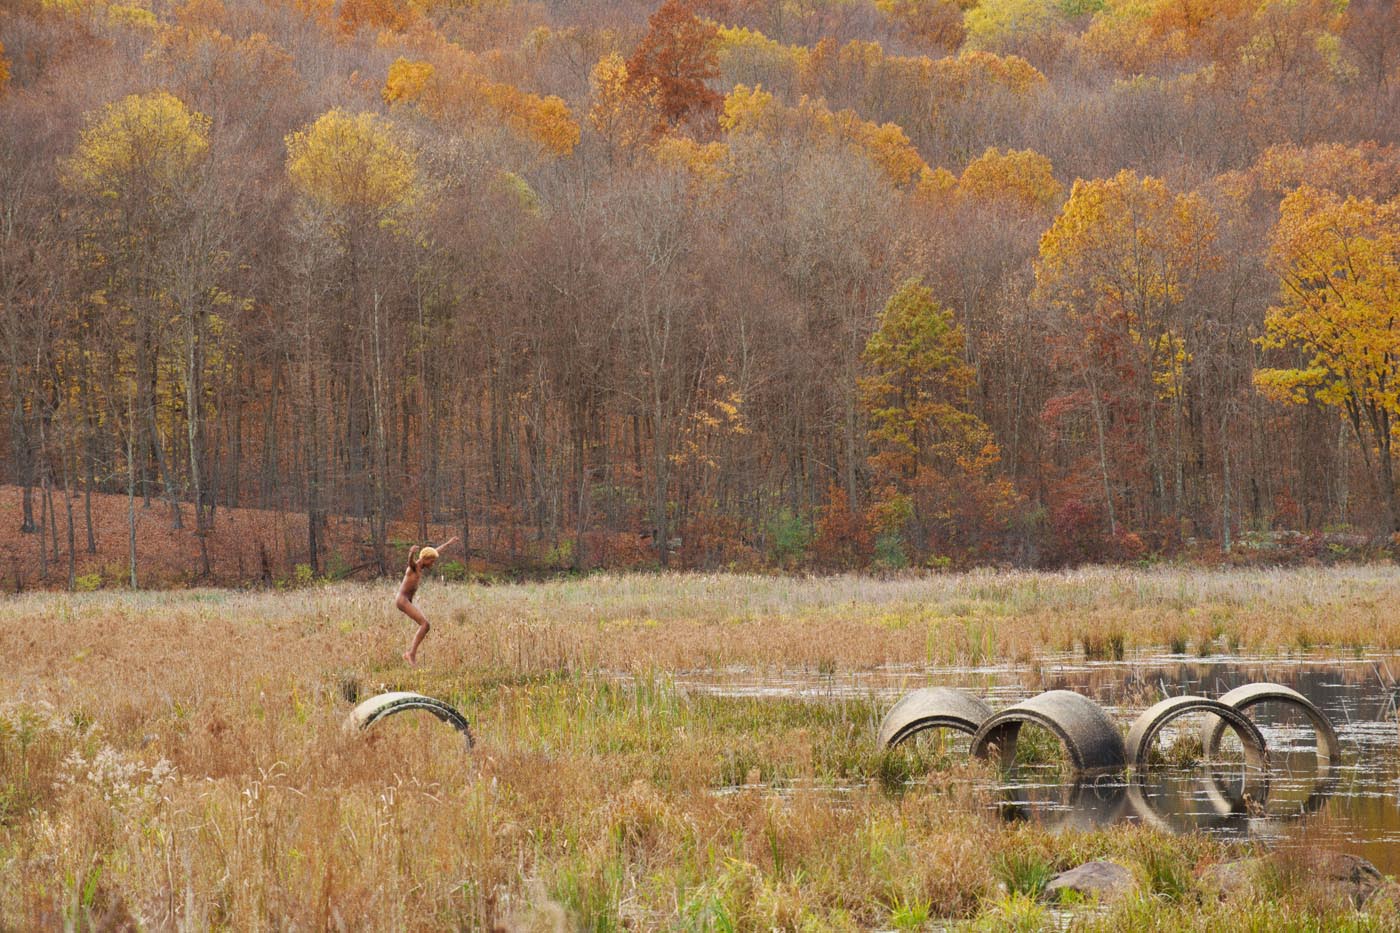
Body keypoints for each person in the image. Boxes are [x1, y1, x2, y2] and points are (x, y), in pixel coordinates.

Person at [396, 536, 458, 665]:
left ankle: (411, 654)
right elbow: (410, 562)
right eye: (432, 561)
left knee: (425, 625)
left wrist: (448, 543)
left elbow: (436, 551)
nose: (433, 564)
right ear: (425, 559)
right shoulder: (414, 567)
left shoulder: (422, 564)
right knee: (425, 625)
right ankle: (410, 654)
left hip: (407, 600)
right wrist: (411, 552)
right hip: (403, 600)